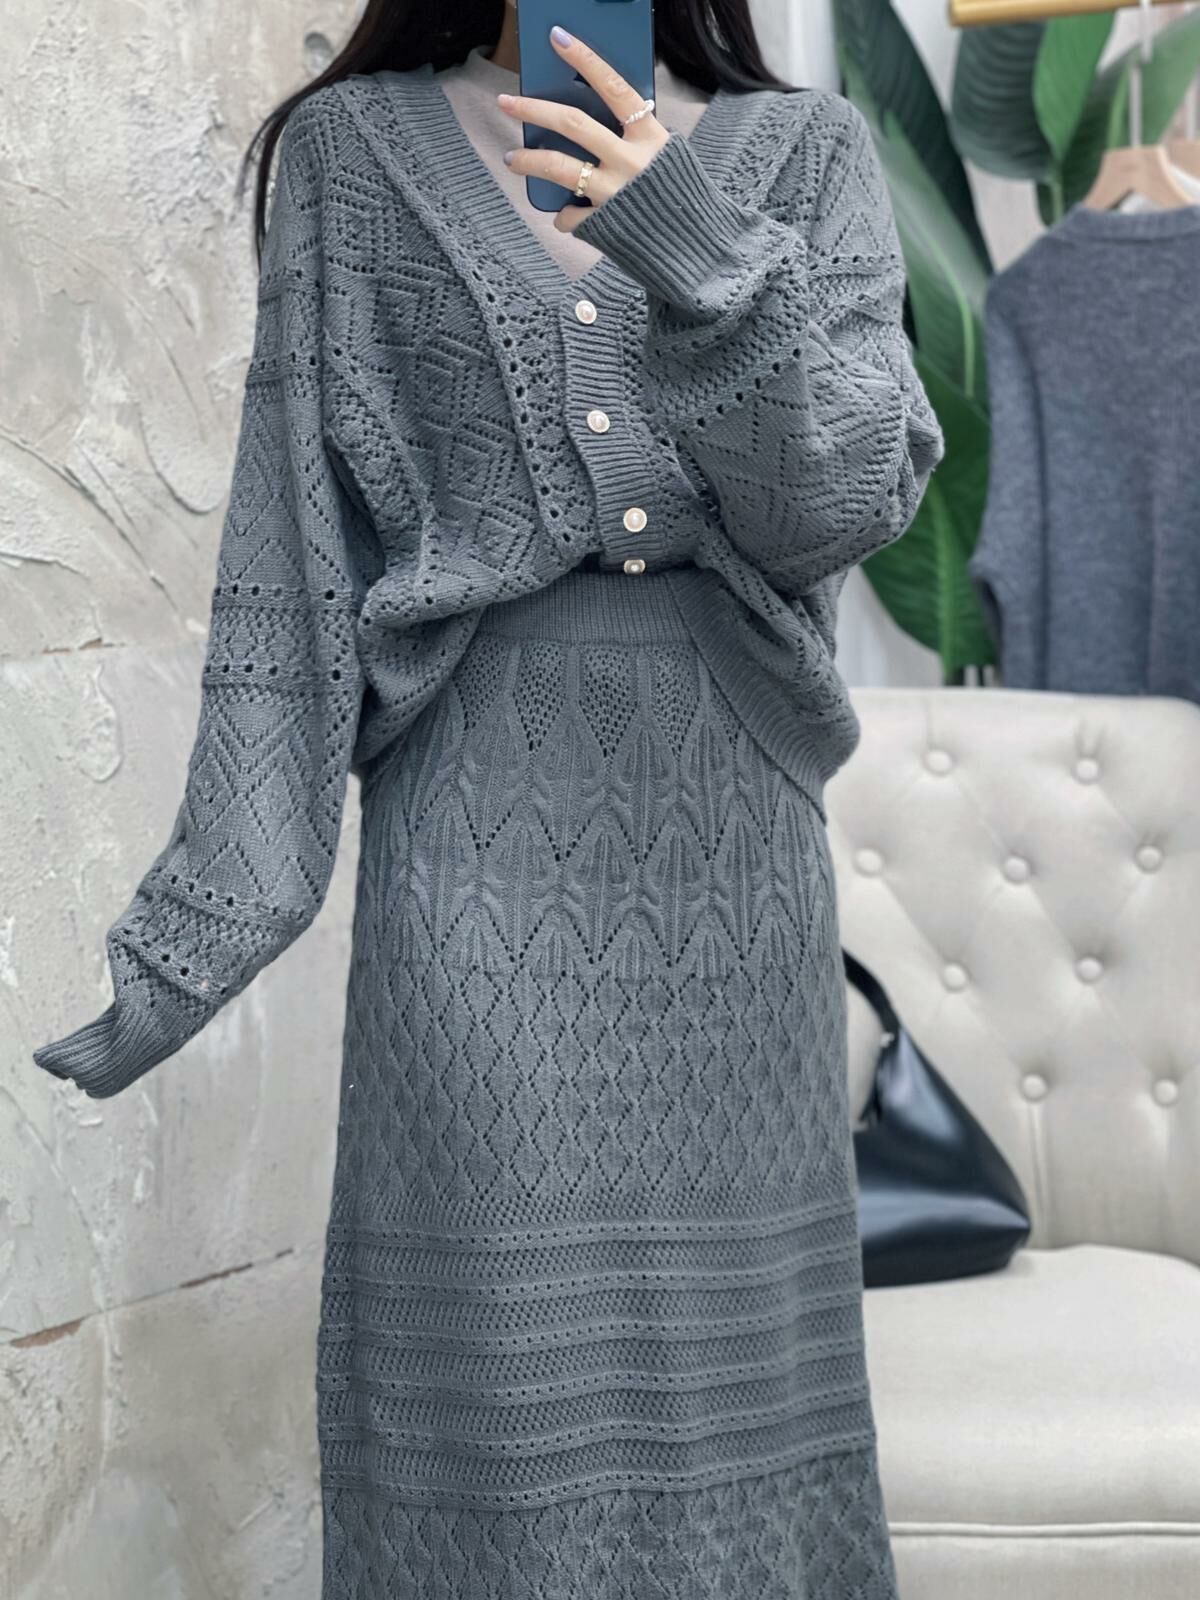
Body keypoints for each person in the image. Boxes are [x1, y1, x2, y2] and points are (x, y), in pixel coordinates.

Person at [32, 2, 945, 1595]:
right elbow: (293, 550)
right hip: (472, 848)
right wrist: (202, 925)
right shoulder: (352, 151)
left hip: (732, 853)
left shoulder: (810, 153)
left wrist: (687, 233)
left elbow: (844, 504)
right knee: (490, 1394)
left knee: (740, 1407)